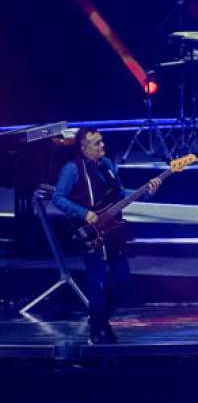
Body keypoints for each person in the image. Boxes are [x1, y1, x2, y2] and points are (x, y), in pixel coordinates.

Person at [53, 127, 161, 344]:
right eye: (97, 143)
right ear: (84, 147)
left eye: (102, 141)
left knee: (122, 279)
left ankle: (100, 321)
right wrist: (83, 213)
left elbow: (120, 194)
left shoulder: (108, 165)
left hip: (113, 231)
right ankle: (98, 329)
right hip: (90, 233)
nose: (103, 145)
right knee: (98, 281)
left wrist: (145, 193)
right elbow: (58, 198)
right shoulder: (72, 169)